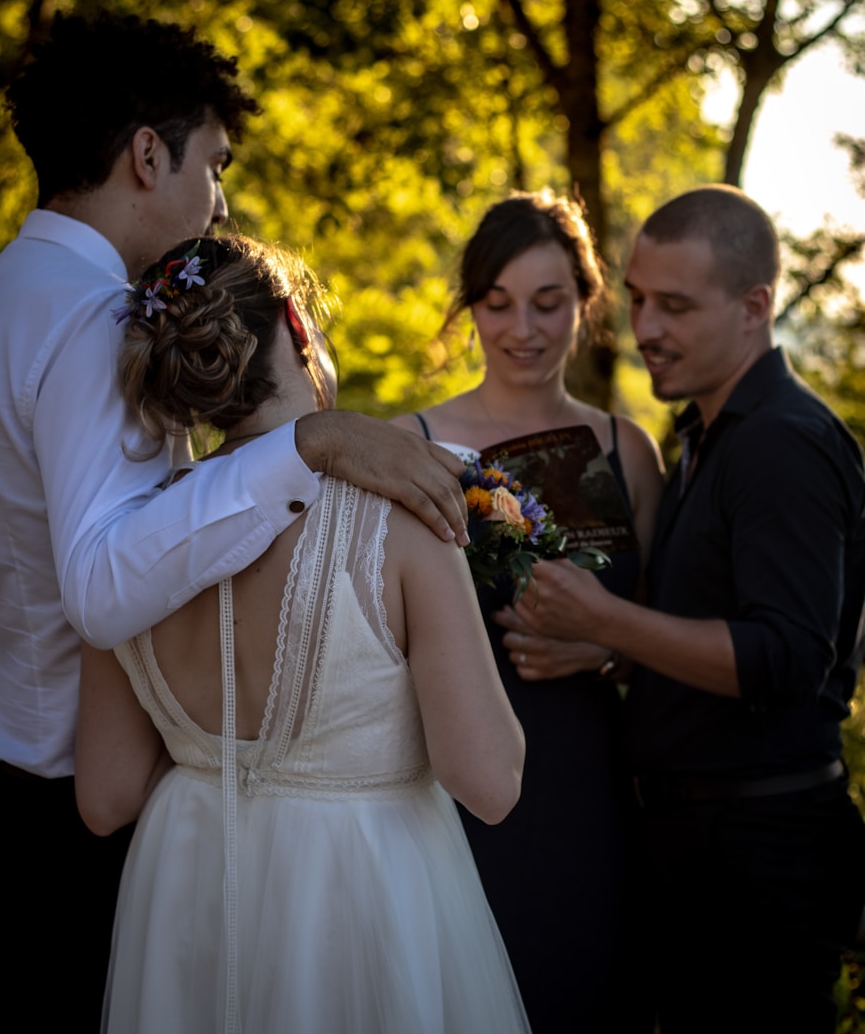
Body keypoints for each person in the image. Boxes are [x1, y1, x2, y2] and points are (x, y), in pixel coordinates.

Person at [0, 11, 467, 1033]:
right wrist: (303, 447)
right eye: (214, 166)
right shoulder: (89, 321)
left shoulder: (9, 292)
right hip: (61, 809)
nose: (218, 203)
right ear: (146, 155)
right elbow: (101, 581)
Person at [74, 232, 529, 1034]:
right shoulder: (404, 516)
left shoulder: (129, 548)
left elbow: (107, 799)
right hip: (361, 890)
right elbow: (488, 782)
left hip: (187, 891)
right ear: (297, 323)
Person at [497, 184, 865, 1034]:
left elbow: (783, 659)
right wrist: (605, 656)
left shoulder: (778, 441)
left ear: (754, 306)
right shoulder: (707, 434)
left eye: (674, 305)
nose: (645, 327)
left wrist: (603, 621)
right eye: (634, 300)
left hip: (758, 847)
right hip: (699, 840)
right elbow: (706, 631)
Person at [392, 189, 665, 1033]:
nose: (522, 329)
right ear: (469, 307)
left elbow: (663, 632)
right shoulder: (413, 442)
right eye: (497, 303)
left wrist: (606, 652)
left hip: (592, 788)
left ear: (584, 305)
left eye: (548, 303)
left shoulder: (625, 449)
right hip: (455, 789)